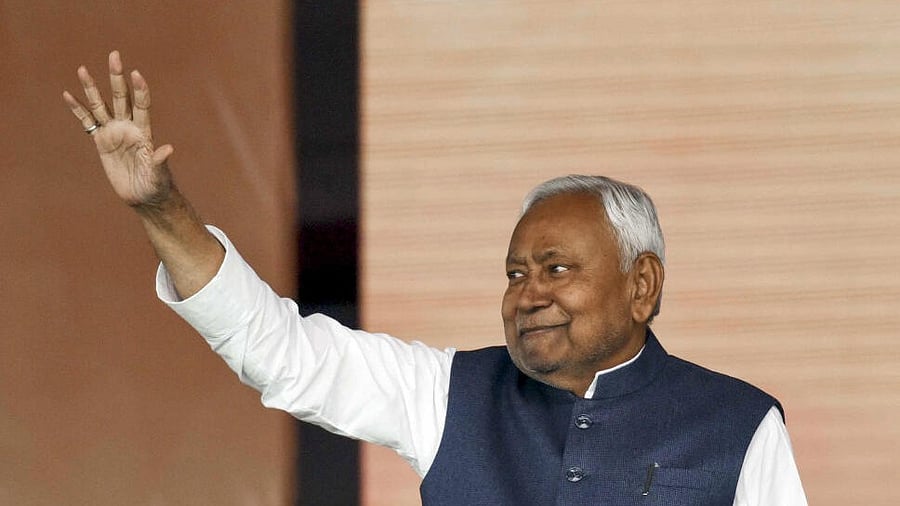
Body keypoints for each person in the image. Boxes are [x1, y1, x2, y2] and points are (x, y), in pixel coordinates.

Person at [64, 51, 808, 505]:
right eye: (515, 273)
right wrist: (162, 209)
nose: (529, 293)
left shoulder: (738, 424)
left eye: (557, 269)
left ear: (642, 285)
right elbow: (279, 350)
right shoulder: (449, 393)